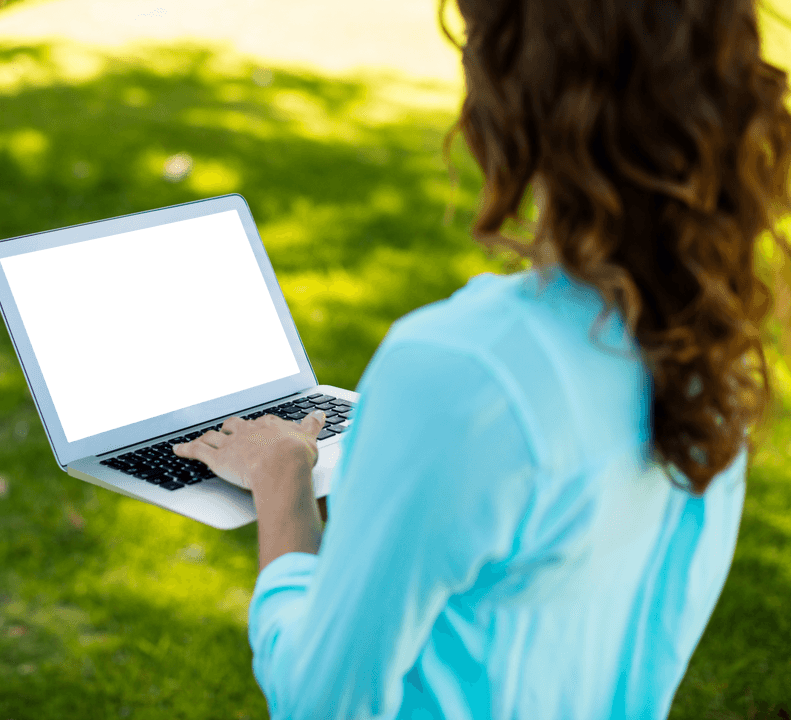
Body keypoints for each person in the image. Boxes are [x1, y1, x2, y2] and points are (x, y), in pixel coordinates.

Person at [173, 0, 791, 717]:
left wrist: (282, 479)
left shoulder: (466, 371)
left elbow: (321, 702)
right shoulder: (706, 345)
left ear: (508, 95)